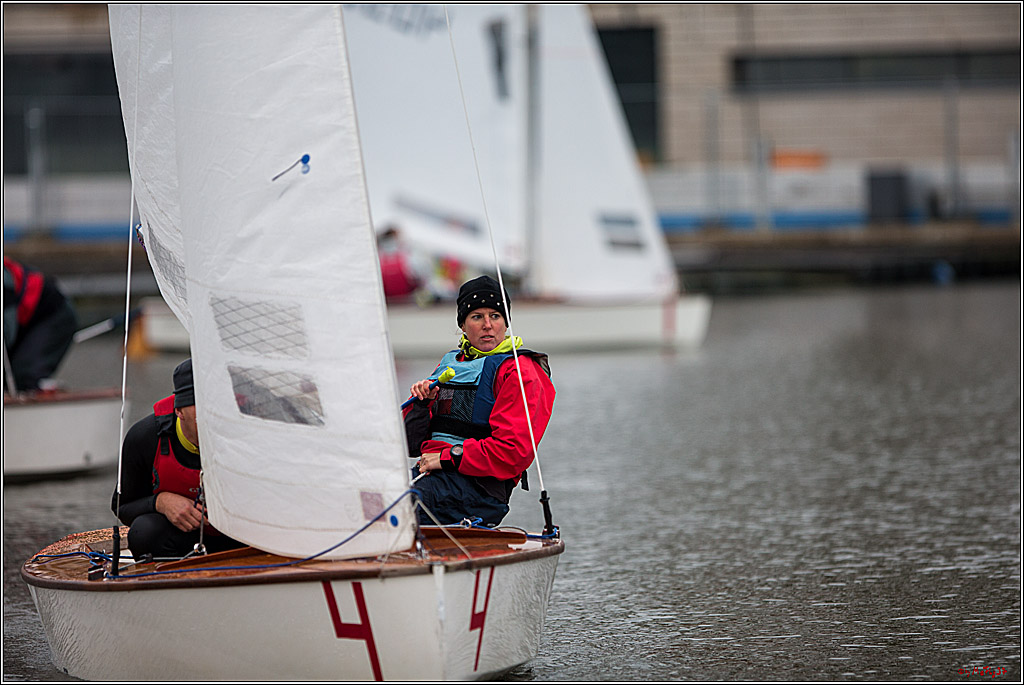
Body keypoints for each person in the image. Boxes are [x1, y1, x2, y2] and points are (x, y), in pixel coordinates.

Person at [403, 275, 556, 526]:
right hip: (432, 477)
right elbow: (410, 444)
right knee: (370, 497)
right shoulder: (450, 365)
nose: (487, 325)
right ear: (463, 325)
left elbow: (513, 452)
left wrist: (447, 457)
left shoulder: (520, 371)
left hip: (479, 491)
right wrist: (420, 405)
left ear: (506, 324)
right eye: (477, 317)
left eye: (495, 316)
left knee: (398, 504)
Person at [111, 358, 243, 560]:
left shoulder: (249, 431)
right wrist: (161, 502)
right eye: (201, 407)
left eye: (218, 405)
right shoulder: (145, 438)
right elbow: (122, 506)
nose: (212, 416)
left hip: (244, 536)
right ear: (178, 411)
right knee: (143, 533)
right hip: (187, 541)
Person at [3, 257, 78, 392]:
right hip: (25, 323)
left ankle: (42, 394)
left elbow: (7, 333)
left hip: (54, 316)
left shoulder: (4, 281)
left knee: (23, 374)